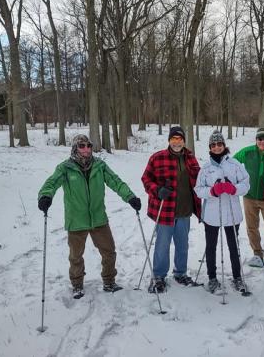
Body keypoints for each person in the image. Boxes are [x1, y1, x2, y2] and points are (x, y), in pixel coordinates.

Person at [38, 134, 142, 299]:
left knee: (109, 251)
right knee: (76, 256)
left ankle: (109, 282)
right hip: (76, 220)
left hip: (98, 218)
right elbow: (51, 183)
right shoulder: (65, 168)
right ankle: (77, 285)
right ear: (75, 148)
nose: (86, 149)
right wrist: (45, 196)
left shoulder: (100, 166)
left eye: (89, 145)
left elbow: (115, 181)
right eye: (82, 146)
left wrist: (130, 197)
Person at [141, 126, 201, 293]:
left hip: (184, 210)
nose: (177, 142)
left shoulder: (190, 158)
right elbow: (146, 179)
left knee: (182, 245)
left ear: (183, 141)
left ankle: (180, 273)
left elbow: (199, 178)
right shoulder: (157, 158)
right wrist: (157, 190)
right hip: (165, 210)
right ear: (169, 140)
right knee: (162, 245)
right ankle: (159, 276)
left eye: (179, 139)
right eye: (174, 139)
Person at [195, 130, 251, 294]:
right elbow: (198, 190)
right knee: (211, 247)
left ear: (224, 146)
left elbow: (246, 185)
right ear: (210, 148)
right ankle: (212, 277)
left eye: (220, 144)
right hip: (211, 215)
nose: (217, 147)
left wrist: (233, 188)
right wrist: (212, 191)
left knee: (234, 247)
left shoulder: (234, 165)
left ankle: (237, 277)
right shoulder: (205, 168)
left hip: (232, 214)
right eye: (213, 145)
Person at [233, 128, 264, 273]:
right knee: (251, 227)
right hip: (249, 196)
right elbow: (232, 163)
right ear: (256, 140)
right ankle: (257, 254)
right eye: (260, 139)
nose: (262, 141)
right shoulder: (246, 152)